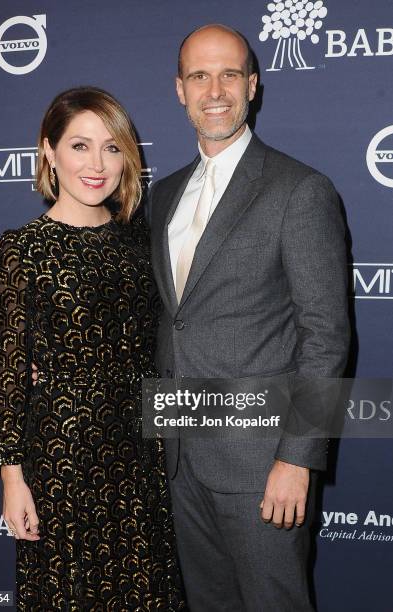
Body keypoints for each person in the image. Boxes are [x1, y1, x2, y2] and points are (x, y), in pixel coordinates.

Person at [147, 25, 350, 611]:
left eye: (230, 74)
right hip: (179, 456)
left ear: (253, 86)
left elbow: (326, 338)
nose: (216, 89)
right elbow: (169, 322)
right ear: (179, 90)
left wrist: (298, 457)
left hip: (263, 464)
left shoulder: (300, 190)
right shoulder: (164, 196)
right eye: (199, 76)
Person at [0, 86, 186, 611]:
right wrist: (12, 479)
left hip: (141, 453)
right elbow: (8, 375)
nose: (97, 164)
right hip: (61, 458)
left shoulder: (142, 241)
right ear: (49, 151)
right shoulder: (21, 248)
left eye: (112, 147)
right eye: (79, 146)